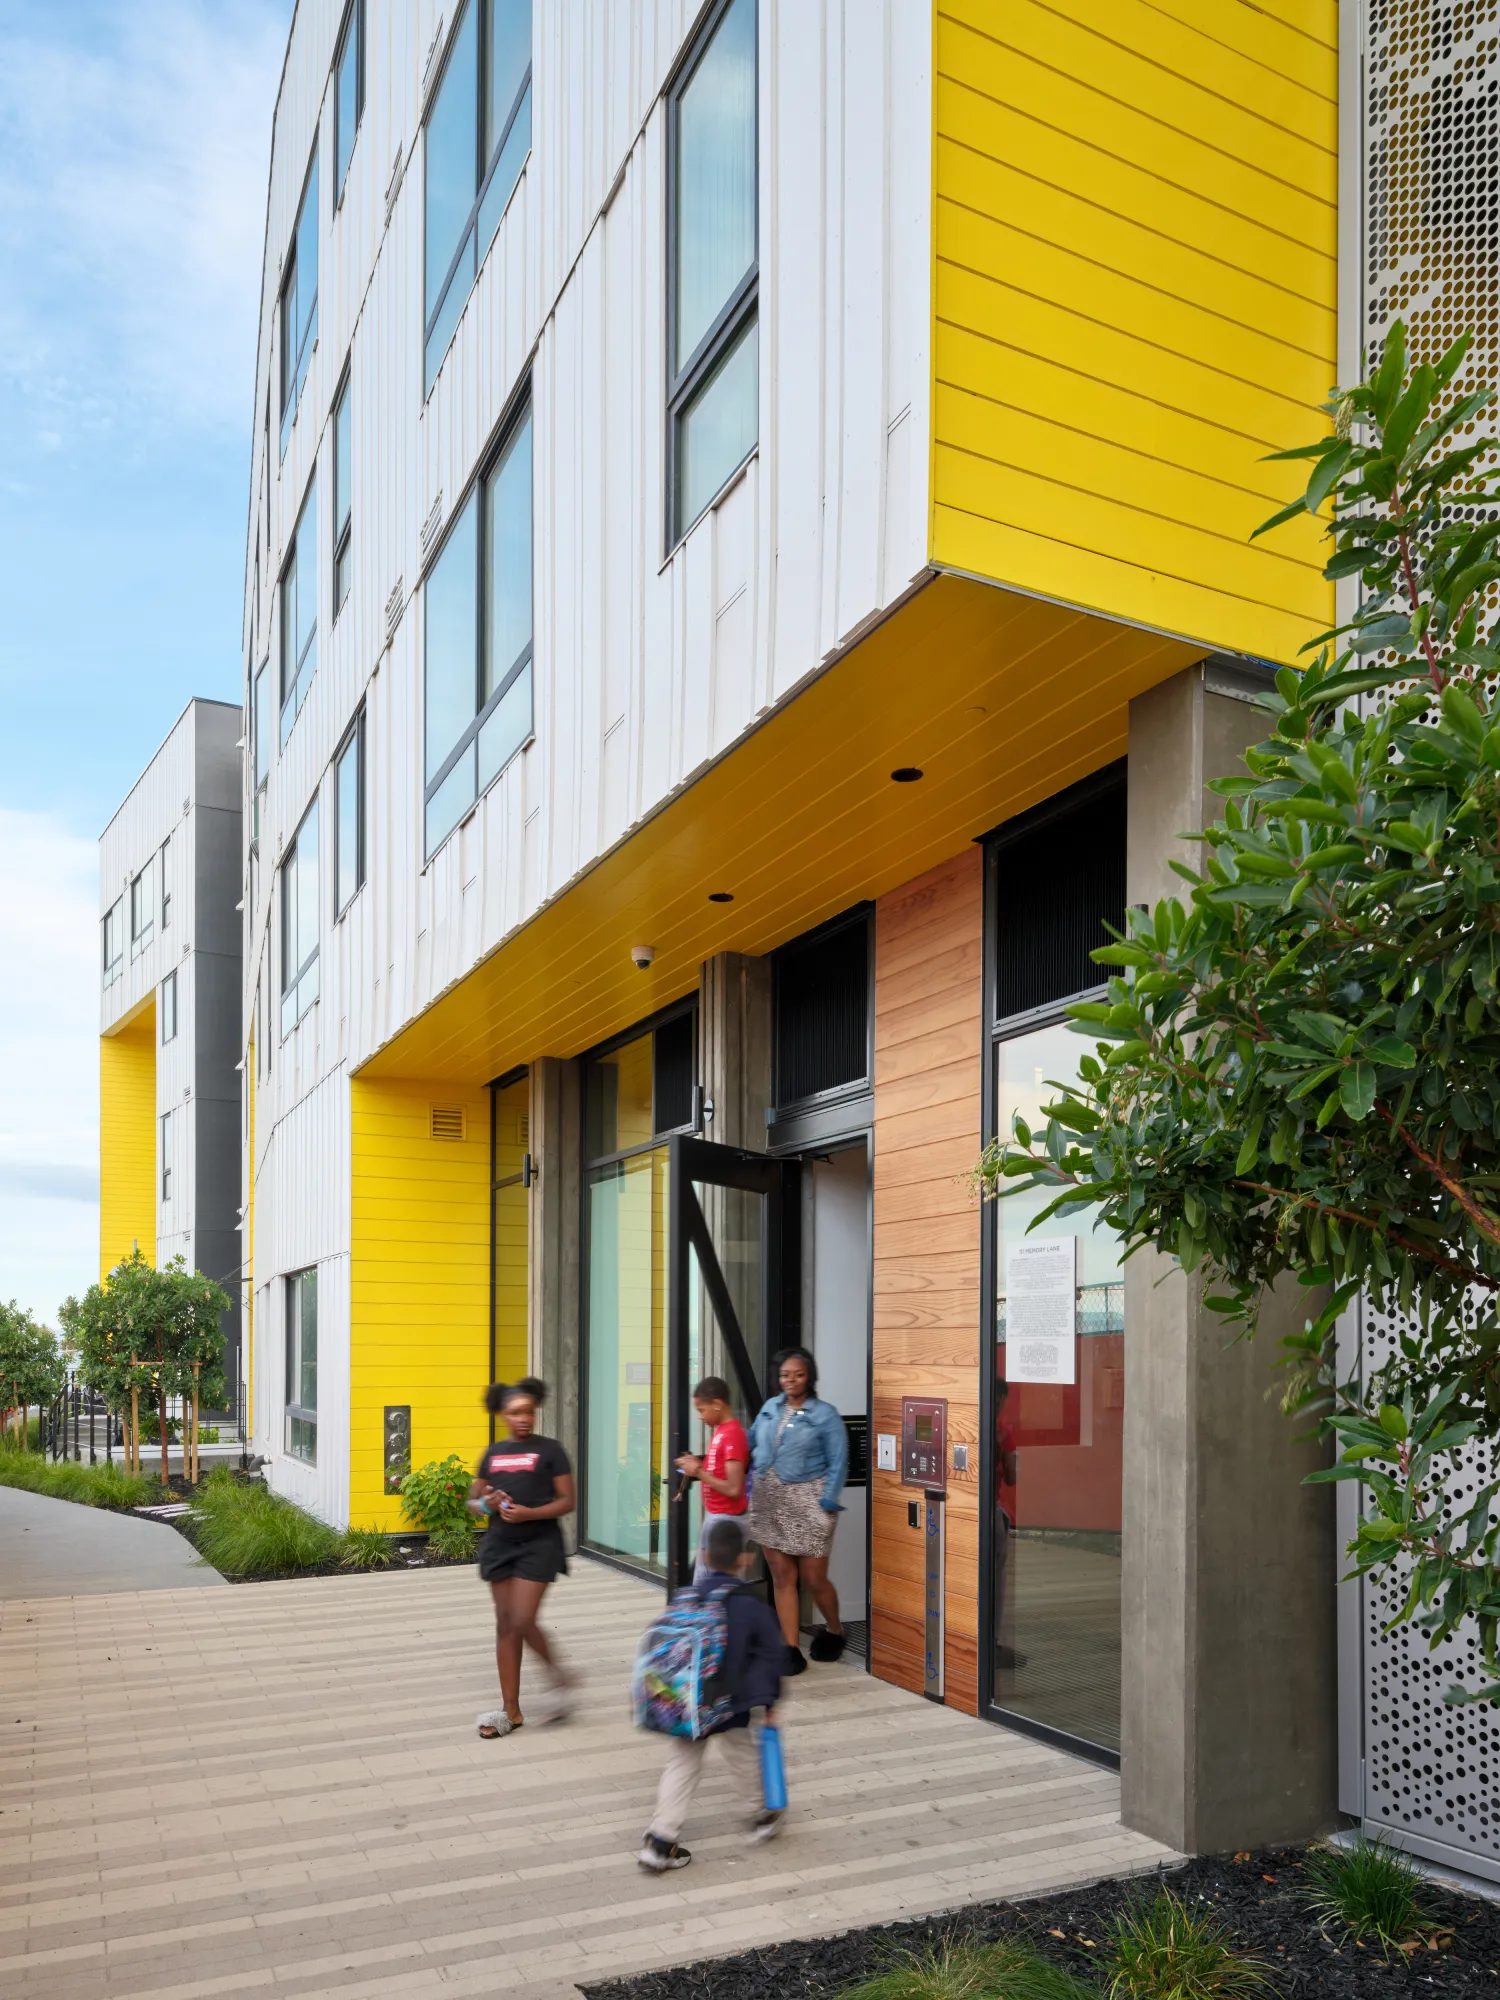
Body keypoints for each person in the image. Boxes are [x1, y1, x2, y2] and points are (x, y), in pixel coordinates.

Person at [637, 1516, 785, 1872]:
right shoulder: (750, 1604)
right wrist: (769, 1703)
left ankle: (660, 1841)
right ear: (746, 1559)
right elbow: (770, 1658)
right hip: (729, 1705)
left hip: (687, 1705)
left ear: (702, 1554)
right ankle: (759, 1816)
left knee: (682, 1764)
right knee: (744, 1756)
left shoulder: (685, 1597)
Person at [469, 1377, 578, 1738]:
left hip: (539, 1543)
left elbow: (567, 1501)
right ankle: (511, 1711)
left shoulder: (551, 1450)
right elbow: (473, 1504)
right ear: (502, 1414)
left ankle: (558, 1674)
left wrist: (529, 1513)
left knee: (522, 1618)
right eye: (515, 1412)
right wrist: (488, 1503)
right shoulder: (493, 1453)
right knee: (506, 1623)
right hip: (500, 1543)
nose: (523, 1418)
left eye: (528, 1411)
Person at [747, 1346, 848, 1675]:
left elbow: (839, 1461)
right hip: (768, 1498)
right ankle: (790, 1648)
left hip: (810, 1499)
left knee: (814, 1577)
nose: (790, 1380)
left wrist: (827, 1502)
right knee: (782, 1575)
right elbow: (750, 1441)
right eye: (785, 1375)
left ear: (810, 1377)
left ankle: (835, 1630)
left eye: (798, 1374)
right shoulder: (769, 1408)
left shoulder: (826, 1415)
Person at [674, 1374, 750, 1581]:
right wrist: (697, 1465)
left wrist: (698, 1472)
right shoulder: (721, 1432)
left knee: (714, 1584)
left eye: (701, 1410)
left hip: (726, 1522)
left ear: (717, 1404)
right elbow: (719, 1471)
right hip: (717, 1518)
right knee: (706, 1581)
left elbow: (734, 1489)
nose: (700, 1416)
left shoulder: (733, 1434)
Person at [994, 1375, 1027, 1671]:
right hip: (991, 1511)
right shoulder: (1003, 1431)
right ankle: (991, 1639)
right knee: (997, 1575)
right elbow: (1012, 1476)